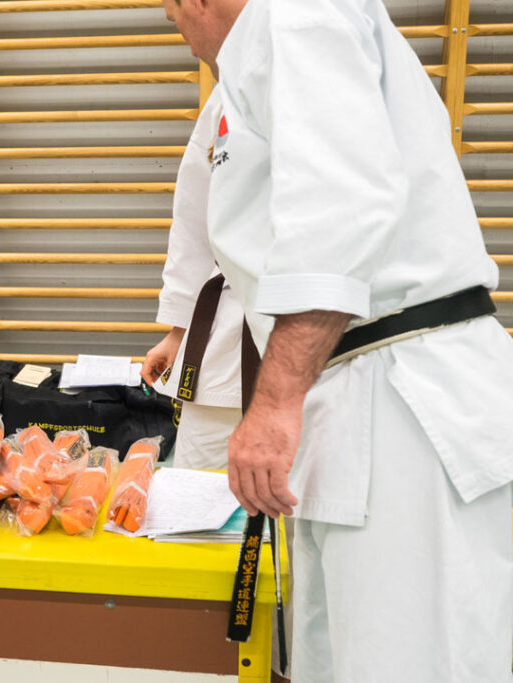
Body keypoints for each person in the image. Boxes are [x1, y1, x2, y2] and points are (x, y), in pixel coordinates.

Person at [162, 0, 513, 681]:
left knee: (411, 660)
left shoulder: (295, 14)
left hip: (403, 399)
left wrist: (273, 402)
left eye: (171, 12)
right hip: (356, 392)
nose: (174, 27)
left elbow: (346, 202)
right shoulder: (253, 60)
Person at [142, 84, 244, 470]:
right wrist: (178, 331)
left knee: (301, 509)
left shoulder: (337, 70)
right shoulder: (228, 94)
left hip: (320, 346)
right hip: (225, 342)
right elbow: (194, 221)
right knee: (195, 495)